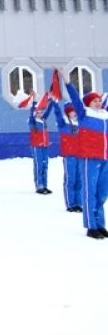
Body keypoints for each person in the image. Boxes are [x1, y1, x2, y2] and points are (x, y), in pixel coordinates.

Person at [61, 70, 108, 240]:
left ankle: (100, 224)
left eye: (99, 100)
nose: (98, 102)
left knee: (102, 193)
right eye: (95, 100)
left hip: (105, 158)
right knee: (90, 191)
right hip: (89, 158)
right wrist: (67, 81)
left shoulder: (105, 116)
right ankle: (91, 226)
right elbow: (75, 98)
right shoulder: (84, 114)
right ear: (88, 103)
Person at [52, 101, 82, 212]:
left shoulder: (81, 124)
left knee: (80, 180)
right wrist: (55, 103)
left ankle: (79, 203)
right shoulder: (63, 124)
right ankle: (70, 204)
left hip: (80, 156)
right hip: (69, 156)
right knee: (70, 179)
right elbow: (57, 114)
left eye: (75, 111)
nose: (75, 113)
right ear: (68, 113)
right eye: (72, 111)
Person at [29, 96, 54, 194]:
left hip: (45, 146)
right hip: (37, 146)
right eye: (37, 112)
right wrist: (34, 100)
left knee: (45, 165)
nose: (40, 113)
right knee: (39, 165)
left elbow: (49, 111)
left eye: (41, 112)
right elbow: (31, 112)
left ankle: (45, 185)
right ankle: (39, 185)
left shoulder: (43, 120)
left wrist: (52, 101)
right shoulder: (32, 122)